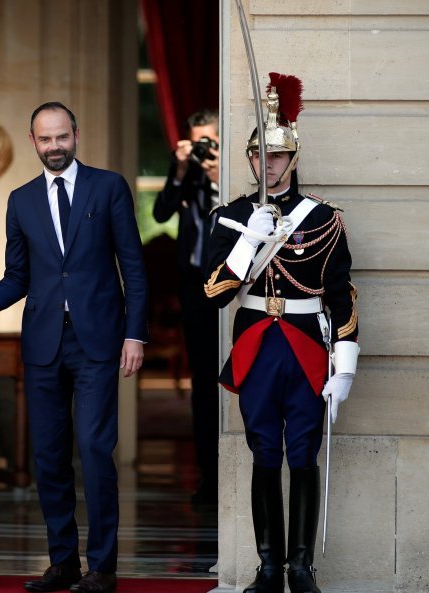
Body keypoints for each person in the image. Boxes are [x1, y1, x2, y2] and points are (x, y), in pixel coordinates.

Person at [0, 102, 149, 593]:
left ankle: (102, 567)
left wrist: (135, 333)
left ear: (76, 135)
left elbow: (135, 267)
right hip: (41, 345)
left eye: (62, 137)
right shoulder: (21, 200)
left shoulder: (109, 187)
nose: (55, 146)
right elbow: (18, 277)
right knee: (49, 456)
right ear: (33, 141)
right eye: (45, 139)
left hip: (99, 342)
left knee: (96, 451)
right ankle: (63, 562)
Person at [202, 74, 358, 593]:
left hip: (308, 347)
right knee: (264, 451)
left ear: (291, 160)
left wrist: (346, 365)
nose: (266, 165)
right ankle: (268, 568)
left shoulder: (324, 219)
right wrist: (249, 241)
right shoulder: (231, 216)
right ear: (248, 160)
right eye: (258, 157)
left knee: (303, 453)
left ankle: (301, 569)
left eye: (275, 157)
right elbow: (215, 292)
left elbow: (342, 296)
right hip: (256, 347)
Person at [152, 109, 222, 505]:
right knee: (202, 384)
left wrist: (216, 174)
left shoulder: (230, 170)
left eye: (209, 141)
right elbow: (161, 213)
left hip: (236, 286)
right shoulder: (186, 174)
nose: (203, 149)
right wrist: (180, 171)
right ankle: (208, 478)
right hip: (195, 288)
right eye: (197, 141)